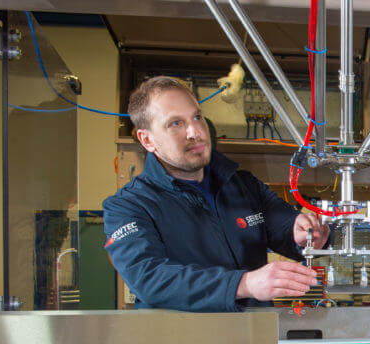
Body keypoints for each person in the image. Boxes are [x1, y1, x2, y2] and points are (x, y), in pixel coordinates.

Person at [103, 76, 329, 312]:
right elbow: (150, 279)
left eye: (197, 117)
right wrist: (244, 284)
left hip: (251, 340)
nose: (195, 132)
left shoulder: (242, 185)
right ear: (147, 139)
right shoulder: (129, 206)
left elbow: (285, 226)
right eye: (176, 124)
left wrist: (307, 235)